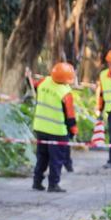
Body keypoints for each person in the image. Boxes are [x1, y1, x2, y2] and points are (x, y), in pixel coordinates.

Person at [31, 62, 78, 192]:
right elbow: (70, 116)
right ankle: (53, 185)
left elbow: (33, 86)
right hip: (57, 131)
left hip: (40, 127)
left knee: (42, 157)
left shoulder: (43, 82)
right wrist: (73, 130)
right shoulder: (65, 92)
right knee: (56, 159)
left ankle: (37, 182)